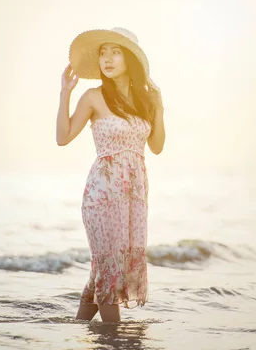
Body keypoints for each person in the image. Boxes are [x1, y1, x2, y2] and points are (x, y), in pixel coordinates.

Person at [56, 27, 165, 323]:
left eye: (115, 52)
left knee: (103, 270)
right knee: (108, 266)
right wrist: (65, 92)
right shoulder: (93, 97)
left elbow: (155, 147)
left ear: (130, 58)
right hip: (102, 194)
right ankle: (115, 336)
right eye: (103, 52)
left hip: (134, 196)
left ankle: (81, 327)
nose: (107, 58)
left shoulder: (145, 101)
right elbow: (63, 137)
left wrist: (159, 108)